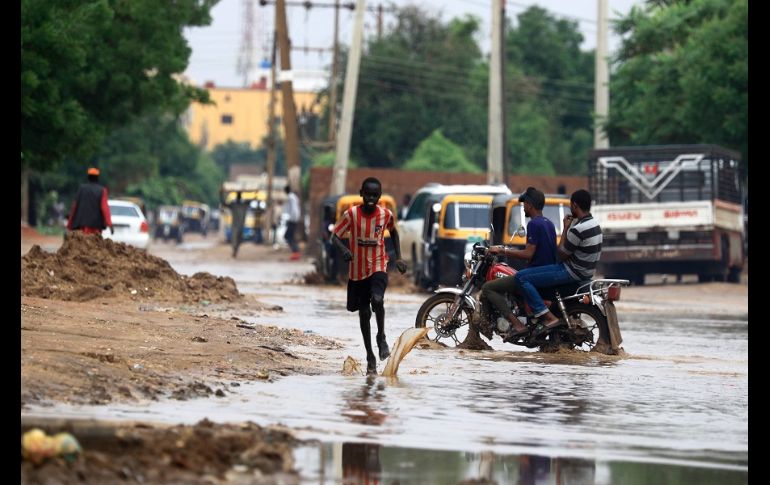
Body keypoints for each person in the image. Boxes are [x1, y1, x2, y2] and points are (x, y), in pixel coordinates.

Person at [331, 177, 407, 375]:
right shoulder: (351, 215)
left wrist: (399, 258)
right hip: (357, 271)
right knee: (364, 313)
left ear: (379, 196)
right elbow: (335, 236)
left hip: (379, 264)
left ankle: (381, 337)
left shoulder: (385, 215)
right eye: (368, 194)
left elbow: (395, 232)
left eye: (375, 195)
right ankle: (370, 356)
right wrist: (344, 250)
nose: (371, 198)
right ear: (361, 193)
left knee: (378, 299)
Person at [512, 189, 602, 336]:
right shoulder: (595, 226)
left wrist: (566, 228)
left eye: (570, 206)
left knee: (521, 277)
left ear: (574, 205)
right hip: (587, 273)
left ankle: (547, 317)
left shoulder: (578, 229)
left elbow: (561, 254)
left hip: (570, 272)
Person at [479, 187, 557, 340]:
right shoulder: (549, 223)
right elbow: (536, 251)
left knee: (488, 288)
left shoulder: (534, 224)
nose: (523, 207)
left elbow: (528, 253)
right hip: (546, 273)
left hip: (534, 275)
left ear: (530, 204)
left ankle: (517, 325)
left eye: (524, 204)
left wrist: (502, 251)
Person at [66, 167, 113, 235]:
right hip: (96, 227)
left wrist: (69, 225)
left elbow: (74, 207)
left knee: (82, 243)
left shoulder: (81, 189)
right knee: (94, 244)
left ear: (88, 177)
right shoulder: (102, 190)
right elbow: (105, 208)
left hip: (81, 226)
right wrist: (110, 224)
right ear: (97, 178)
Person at [224, 191, 249, 258]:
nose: (238, 197)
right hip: (235, 225)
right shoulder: (233, 205)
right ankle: (234, 250)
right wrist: (222, 195)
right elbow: (224, 204)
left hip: (241, 225)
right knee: (234, 239)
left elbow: (251, 201)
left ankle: (236, 250)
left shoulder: (244, 205)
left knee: (239, 240)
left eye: (239, 196)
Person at [282, 184, 301, 260]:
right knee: (290, 236)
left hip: (293, 219)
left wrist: (291, 218)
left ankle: (295, 252)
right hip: (294, 218)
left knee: (287, 236)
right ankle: (295, 252)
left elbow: (293, 209)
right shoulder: (294, 197)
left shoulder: (291, 197)